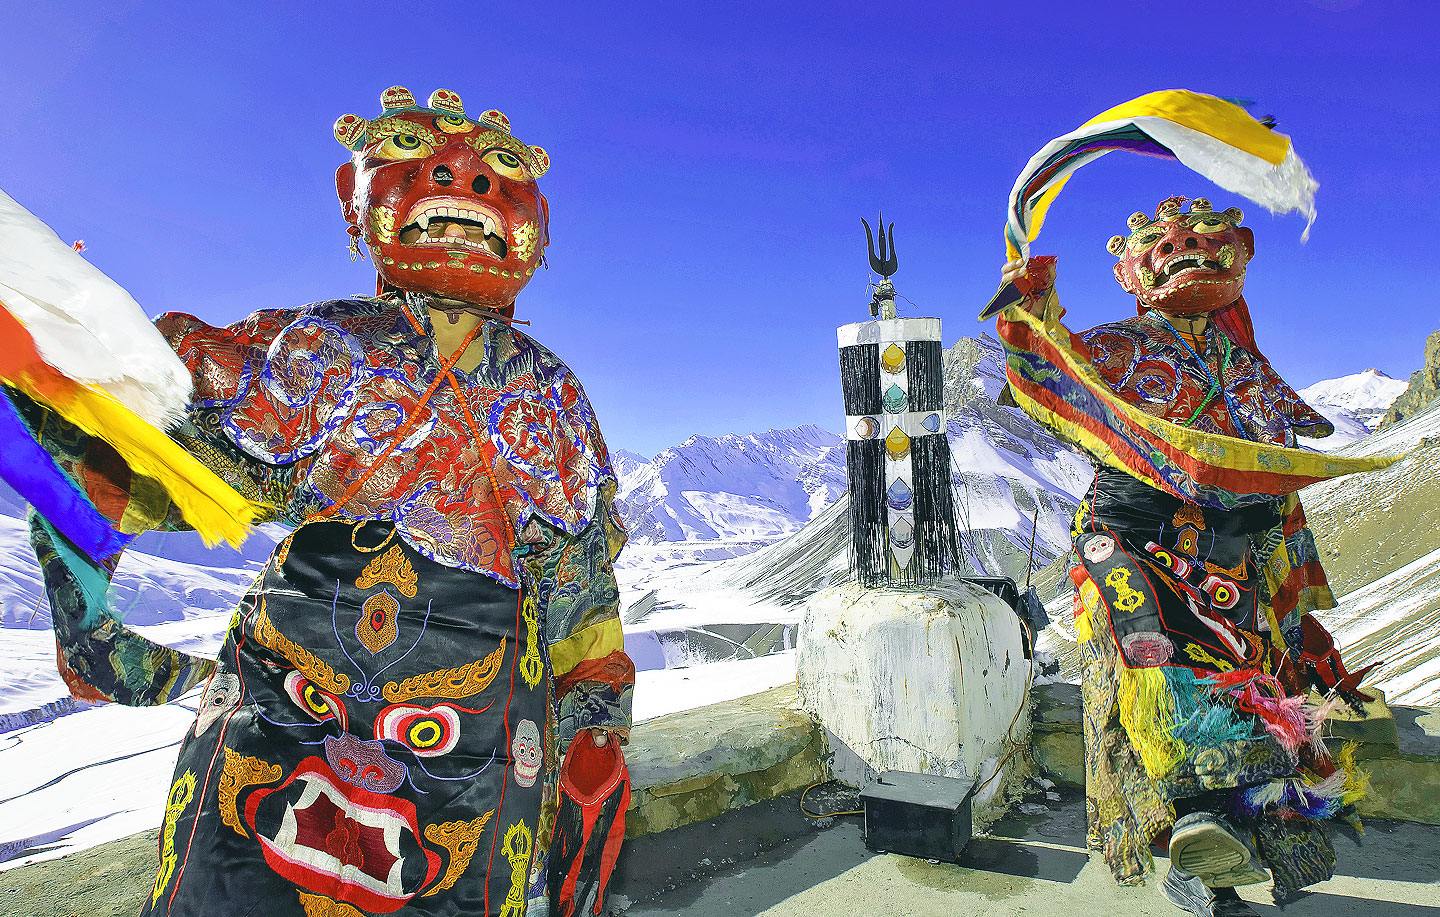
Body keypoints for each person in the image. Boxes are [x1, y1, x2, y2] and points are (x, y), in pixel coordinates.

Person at [24, 86, 633, 917]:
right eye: (417, 156)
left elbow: (578, 588)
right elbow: (148, 464)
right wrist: (76, 392)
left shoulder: (551, 396)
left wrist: (596, 720)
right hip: (289, 694)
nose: (461, 184)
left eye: (499, 170)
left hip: (472, 728)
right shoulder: (318, 346)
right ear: (359, 204)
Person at [998, 196, 1371, 916]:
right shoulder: (1113, 349)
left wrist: (1282, 585)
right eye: (1158, 241)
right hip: (1133, 545)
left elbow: (1273, 479)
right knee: (1158, 658)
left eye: (1206, 237)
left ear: (1242, 251)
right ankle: (1200, 831)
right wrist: (1031, 302)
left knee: (1253, 684)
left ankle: (1210, 871)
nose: (1184, 248)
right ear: (1128, 270)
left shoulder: (1251, 371)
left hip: (1231, 567)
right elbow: (1045, 374)